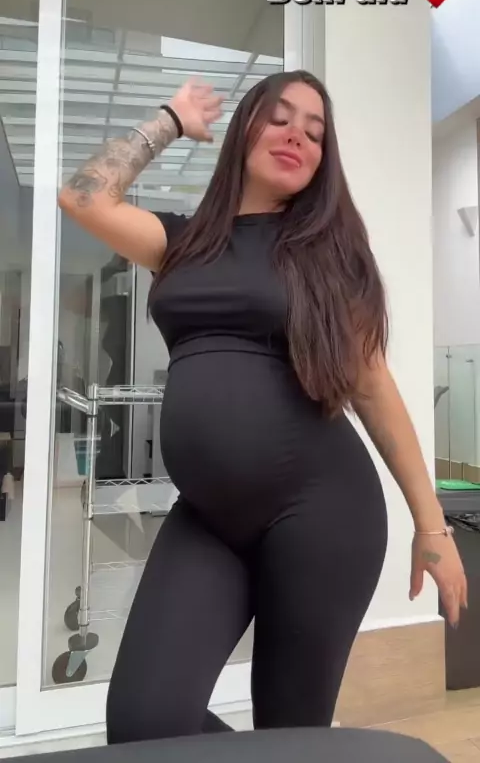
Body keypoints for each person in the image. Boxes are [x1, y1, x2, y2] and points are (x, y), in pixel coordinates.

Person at [58, 70, 467, 744]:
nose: (296, 135)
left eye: (315, 131)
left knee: (290, 732)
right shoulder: (181, 243)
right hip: (208, 518)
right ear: (245, 129)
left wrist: (433, 528)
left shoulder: (329, 258)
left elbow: (372, 387)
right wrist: (169, 120)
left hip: (322, 515)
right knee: (143, 721)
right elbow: (81, 197)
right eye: (280, 117)